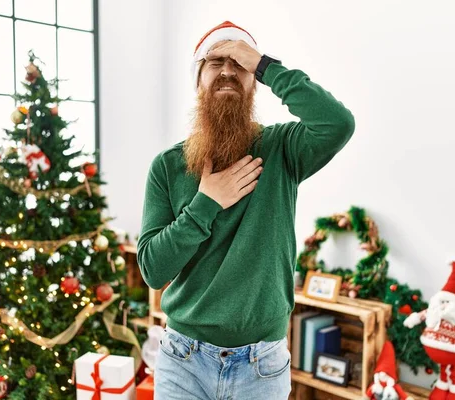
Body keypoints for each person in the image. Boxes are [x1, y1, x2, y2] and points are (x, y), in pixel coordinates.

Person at [137, 21, 355, 399]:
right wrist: (205, 203)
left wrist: (265, 64)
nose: (227, 71)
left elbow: (337, 123)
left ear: (255, 81)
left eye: (239, 64)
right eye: (215, 62)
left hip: (262, 365)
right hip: (182, 359)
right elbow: (153, 271)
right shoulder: (167, 166)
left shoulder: (283, 148)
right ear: (198, 80)